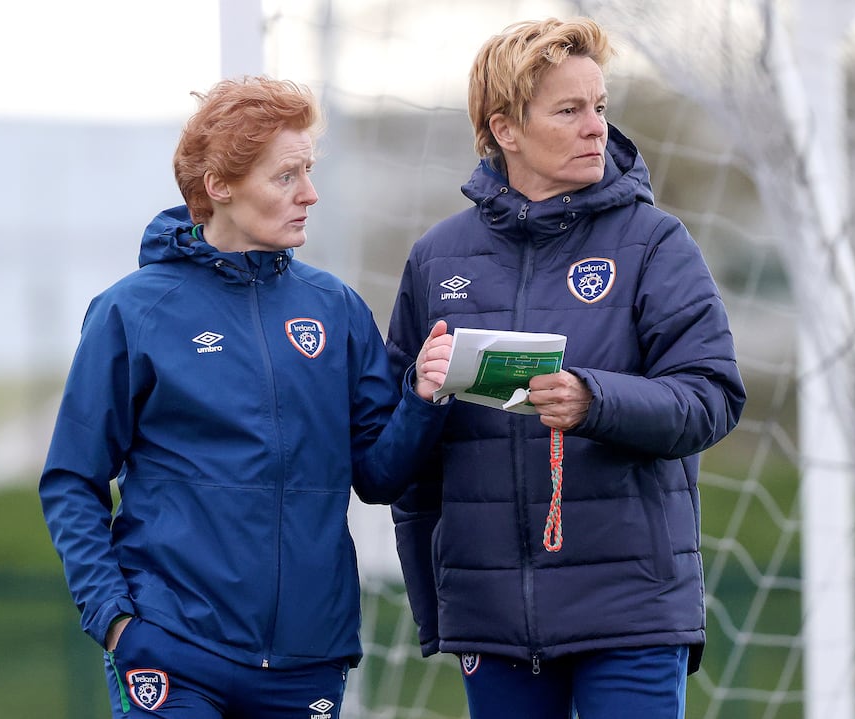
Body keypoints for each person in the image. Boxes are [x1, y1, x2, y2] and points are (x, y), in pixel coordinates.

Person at [39, 76, 453, 719]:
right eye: (286, 176)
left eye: (309, 171)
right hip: (171, 646)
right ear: (220, 186)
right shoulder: (133, 310)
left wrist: (424, 399)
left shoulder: (336, 309)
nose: (310, 194)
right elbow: (72, 479)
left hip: (306, 661)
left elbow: (377, 476)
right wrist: (117, 620)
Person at [385, 17, 746, 719]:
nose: (596, 129)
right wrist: (443, 607)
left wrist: (594, 400)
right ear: (506, 129)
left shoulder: (655, 243)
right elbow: (397, 461)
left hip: (631, 611)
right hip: (492, 620)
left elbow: (713, 396)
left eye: (601, 108)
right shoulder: (437, 259)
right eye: (570, 110)